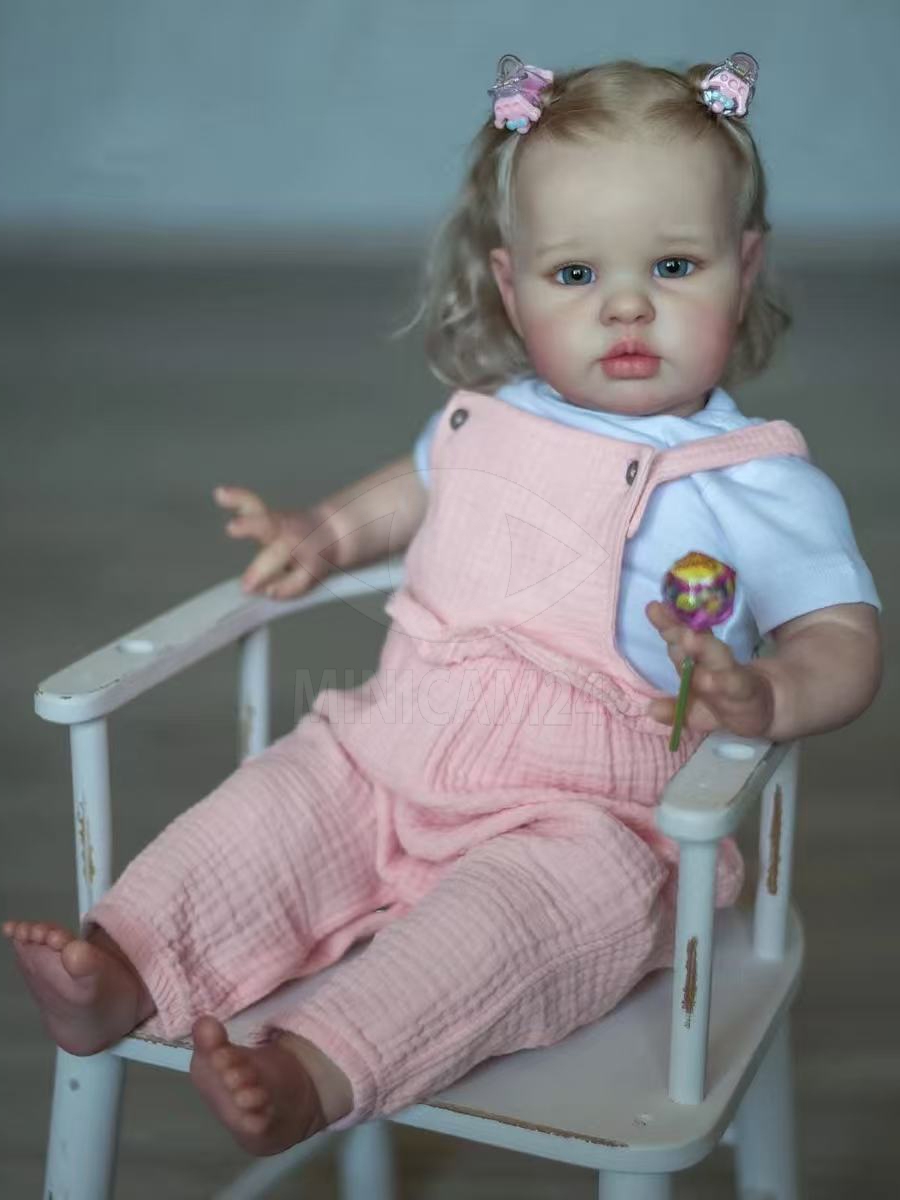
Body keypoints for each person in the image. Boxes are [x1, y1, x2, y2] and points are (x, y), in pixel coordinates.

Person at [5, 52, 882, 1157]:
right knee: (268, 814)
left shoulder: (755, 480)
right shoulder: (488, 414)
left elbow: (842, 635)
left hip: (587, 819)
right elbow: (417, 488)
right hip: (388, 750)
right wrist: (327, 532)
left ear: (743, 268)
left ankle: (311, 1070)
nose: (625, 305)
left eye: (673, 265)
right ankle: (129, 966)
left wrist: (768, 693)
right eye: (574, 274)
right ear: (511, 287)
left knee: (510, 928)